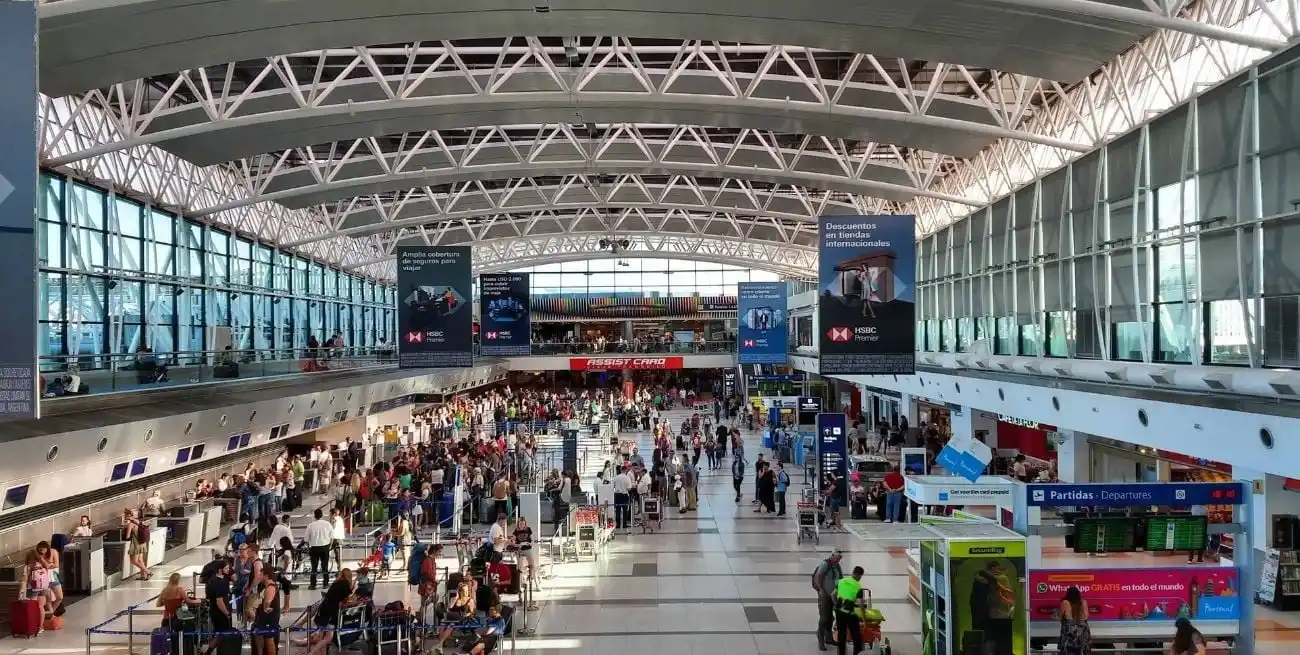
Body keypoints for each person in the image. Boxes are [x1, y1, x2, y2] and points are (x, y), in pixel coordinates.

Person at [813, 550, 844, 651]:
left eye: (840, 558)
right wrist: (821, 590)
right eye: (838, 557)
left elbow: (841, 579)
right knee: (824, 617)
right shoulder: (825, 565)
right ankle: (820, 638)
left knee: (831, 618)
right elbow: (818, 577)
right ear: (832, 556)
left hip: (833, 595)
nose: (839, 560)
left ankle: (829, 638)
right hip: (825, 595)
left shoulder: (837, 566)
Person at [835, 566, 867, 655]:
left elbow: (832, 594)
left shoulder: (841, 581)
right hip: (849, 614)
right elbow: (861, 605)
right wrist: (864, 619)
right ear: (859, 575)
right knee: (856, 635)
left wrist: (836, 605)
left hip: (839, 612)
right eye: (860, 577)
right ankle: (857, 653)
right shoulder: (858, 587)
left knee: (841, 634)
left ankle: (841, 653)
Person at [252, 566, 281, 655]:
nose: (259, 577)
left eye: (261, 575)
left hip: (269, 618)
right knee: (259, 636)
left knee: (269, 639)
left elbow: (268, 602)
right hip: (264, 617)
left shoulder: (270, 587)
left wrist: (265, 610)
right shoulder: (267, 586)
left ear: (266, 576)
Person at [305, 508, 333, 590]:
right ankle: (325, 583)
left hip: (314, 548)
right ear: (322, 515)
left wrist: (309, 547)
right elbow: (332, 537)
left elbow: (306, 539)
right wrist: (329, 546)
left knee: (314, 566)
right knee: (325, 566)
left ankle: (313, 584)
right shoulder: (327, 524)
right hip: (325, 547)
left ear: (314, 516)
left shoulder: (310, 525)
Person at [1059, 586, 1092, 655]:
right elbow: (1086, 616)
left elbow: (1060, 617)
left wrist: (1052, 616)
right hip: (1082, 633)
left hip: (1069, 633)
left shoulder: (1065, 602)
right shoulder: (1084, 602)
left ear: (1068, 594)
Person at [122, 509, 150, 581]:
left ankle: (148, 572)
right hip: (142, 543)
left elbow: (127, 537)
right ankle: (143, 576)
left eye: (124, 515)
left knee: (134, 561)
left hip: (136, 544)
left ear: (127, 516)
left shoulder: (130, 525)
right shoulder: (137, 521)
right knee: (140, 560)